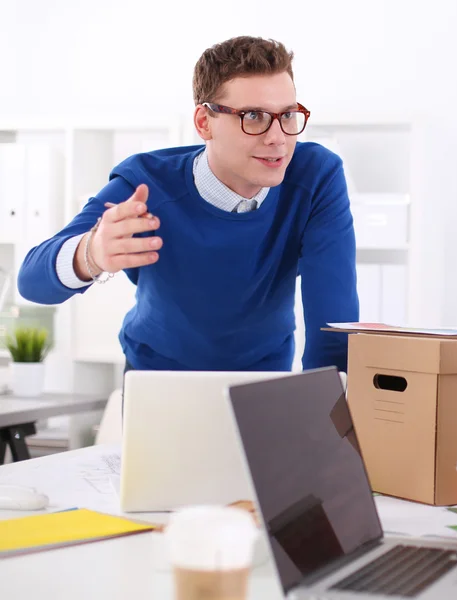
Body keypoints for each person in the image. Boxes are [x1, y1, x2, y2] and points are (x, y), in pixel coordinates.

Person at [18, 36, 359, 374]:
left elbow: (333, 328)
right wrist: (91, 253)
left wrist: (325, 420)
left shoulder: (316, 177)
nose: (278, 137)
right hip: (157, 383)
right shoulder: (146, 181)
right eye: (253, 116)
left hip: (264, 382)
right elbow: (32, 280)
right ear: (203, 122)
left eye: (287, 115)